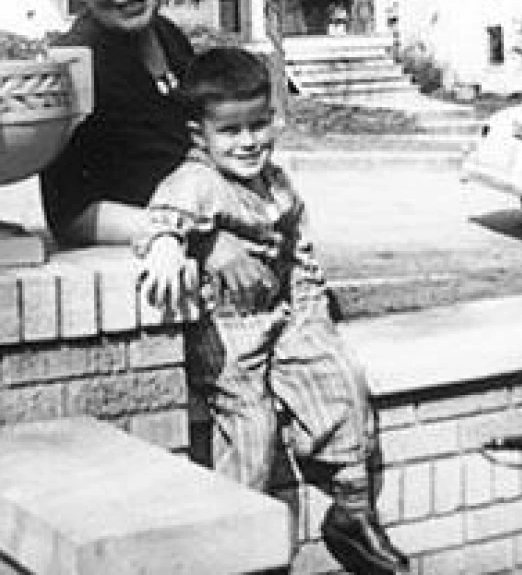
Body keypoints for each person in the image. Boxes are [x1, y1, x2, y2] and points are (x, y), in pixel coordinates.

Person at [134, 47, 409, 575]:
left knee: (341, 380)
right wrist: (168, 245)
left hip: (288, 312)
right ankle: (241, 549)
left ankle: (352, 510)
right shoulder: (198, 180)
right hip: (229, 332)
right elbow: (164, 215)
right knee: (250, 427)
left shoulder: (276, 182)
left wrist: (312, 314)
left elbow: (300, 253)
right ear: (200, 136)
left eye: (257, 125)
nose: (248, 141)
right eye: (230, 131)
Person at [40, 0, 272, 307]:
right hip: (158, 277)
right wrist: (199, 238)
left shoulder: (169, 37)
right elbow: (71, 216)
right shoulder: (75, 65)